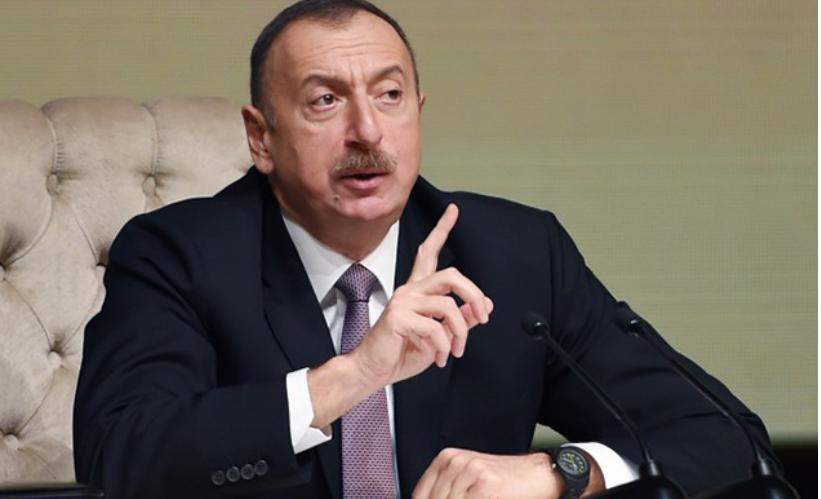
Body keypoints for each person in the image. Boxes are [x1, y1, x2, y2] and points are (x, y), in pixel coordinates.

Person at [73, 1, 778, 498]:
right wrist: (353, 374)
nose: (366, 131)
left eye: (389, 95)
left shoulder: (513, 254)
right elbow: (120, 456)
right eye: (325, 102)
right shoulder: (179, 255)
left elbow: (726, 437)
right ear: (261, 137)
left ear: (418, 112)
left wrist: (558, 471)